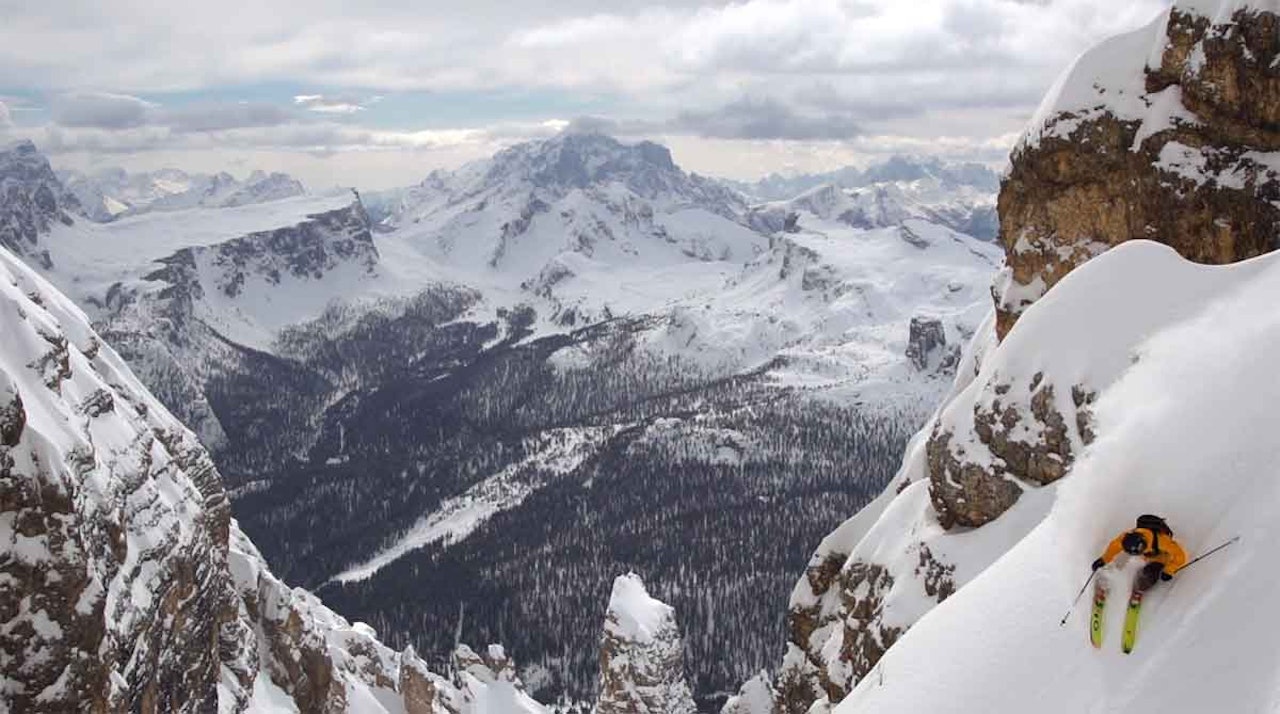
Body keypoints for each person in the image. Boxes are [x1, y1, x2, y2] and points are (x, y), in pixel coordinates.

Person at [1091, 514, 1188, 592]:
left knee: (1150, 572)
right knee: (1122, 559)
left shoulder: (1162, 541)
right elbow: (1114, 547)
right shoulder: (1125, 538)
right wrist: (1103, 559)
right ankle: (1107, 579)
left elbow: (1180, 555)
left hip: (1159, 557)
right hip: (1144, 555)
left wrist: (1169, 571)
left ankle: (1140, 587)